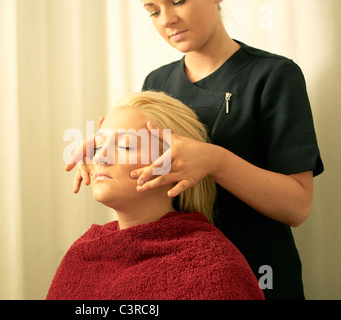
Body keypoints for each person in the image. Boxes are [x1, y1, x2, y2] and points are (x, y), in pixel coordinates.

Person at [66, 0, 324, 300]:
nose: (167, 20)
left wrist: (215, 161)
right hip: (174, 274)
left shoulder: (273, 76)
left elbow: (298, 206)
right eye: (153, 10)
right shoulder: (157, 82)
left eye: (178, 1)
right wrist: (106, 145)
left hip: (256, 274)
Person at [48, 92, 264, 300]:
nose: (100, 158)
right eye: (98, 145)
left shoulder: (214, 267)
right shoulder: (83, 254)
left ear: (174, 165)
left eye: (125, 145)